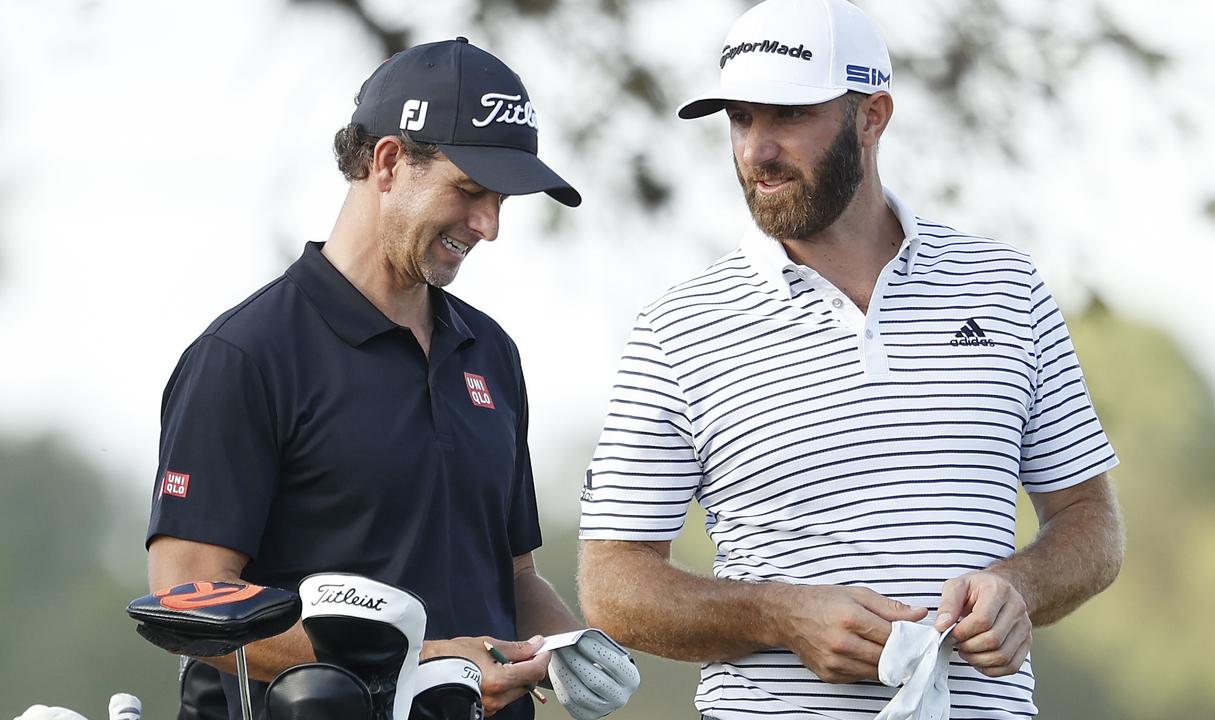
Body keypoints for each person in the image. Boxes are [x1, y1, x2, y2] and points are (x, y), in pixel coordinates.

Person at [576, 1, 1125, 718]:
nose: (756, 150)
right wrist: (779, 616)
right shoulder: (677, 328)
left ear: (872, 116)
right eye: (741, 119)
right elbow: (613, 583)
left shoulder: (1006, 289)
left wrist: (1020, 587)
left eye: (788, 116)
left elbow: (1091, 521)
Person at [147, 38, 614, 720]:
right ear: (390, 162)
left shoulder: (491, 354)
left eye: (501, 201)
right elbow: (185, 595)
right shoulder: (246, 355)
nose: (488, 225)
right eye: (470, 191)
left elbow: (512, 580)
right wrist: (415, 664)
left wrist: (572, 647)